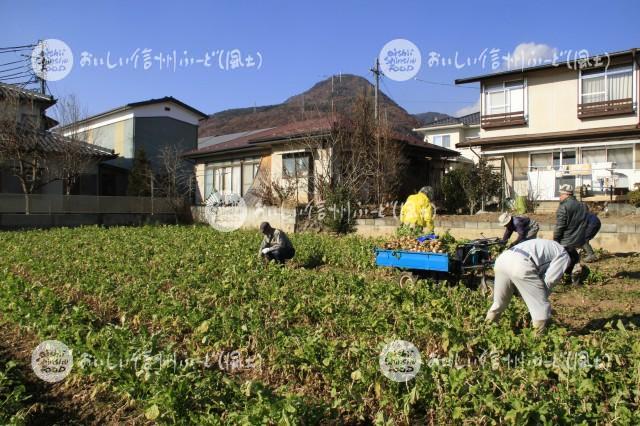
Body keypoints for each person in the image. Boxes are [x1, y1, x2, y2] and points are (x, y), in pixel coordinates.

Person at [486, 238, 571, 333]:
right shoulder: (565, 255)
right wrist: (540, 297)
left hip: (502, 260)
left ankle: (486, 330)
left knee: (499, 303)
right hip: (521, 264)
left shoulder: (551, 245)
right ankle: (537, 341)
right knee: (541, 307)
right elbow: (550, 280)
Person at [553, 184, 588, 284]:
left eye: (561, 194)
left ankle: (560, 280)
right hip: (580, 239)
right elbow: (585, 222)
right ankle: (575, 282)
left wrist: (555, 240)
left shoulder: (563, 207)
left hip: (566, 240)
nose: (560, 197)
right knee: (576, 261)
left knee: (563, 260)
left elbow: (560, 226)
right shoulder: (583, 206)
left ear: (566, 194)